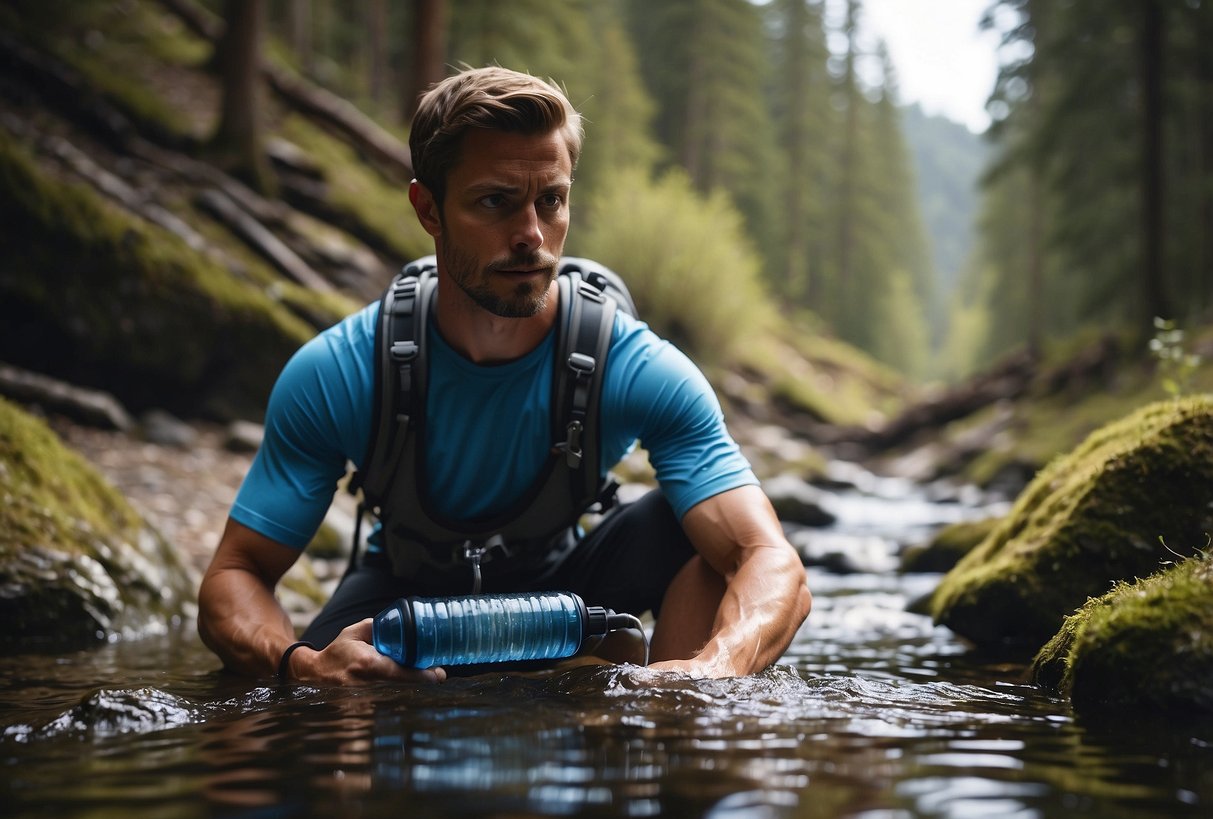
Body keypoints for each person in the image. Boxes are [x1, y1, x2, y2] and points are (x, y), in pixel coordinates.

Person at [197, 66, 811, 685]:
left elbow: (770, 559)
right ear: (427, 208)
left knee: (693, 538)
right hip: (404, 608)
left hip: (564, 597)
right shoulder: (341, 371)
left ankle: (671, 738)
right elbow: (235, 575)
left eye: (551, 200)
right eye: (495, 201)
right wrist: (300, 666)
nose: (531, 235)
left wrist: (712, 670)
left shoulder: (636, 368)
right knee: (311, 716)